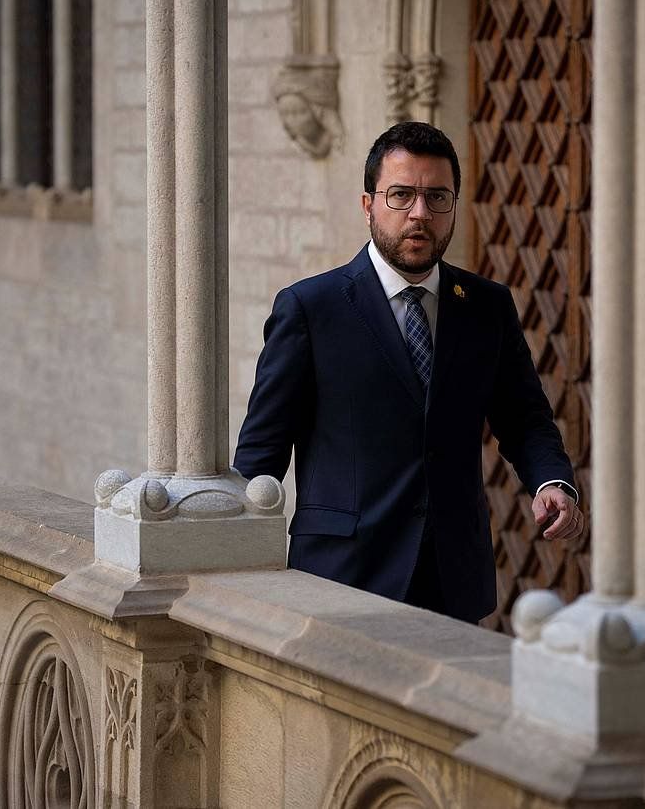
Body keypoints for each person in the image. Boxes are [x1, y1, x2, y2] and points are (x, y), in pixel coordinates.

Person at [233, 122, 583, 624]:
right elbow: (261, 453)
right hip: (340, 578)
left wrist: (553, 482)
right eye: (401, 195)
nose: (420, 214)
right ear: (368, 204)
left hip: (453, 578)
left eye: (438, 197)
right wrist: (248, 572)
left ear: (455, 206)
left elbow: (525, 418)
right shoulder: (311, 308)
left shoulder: (487, 306)